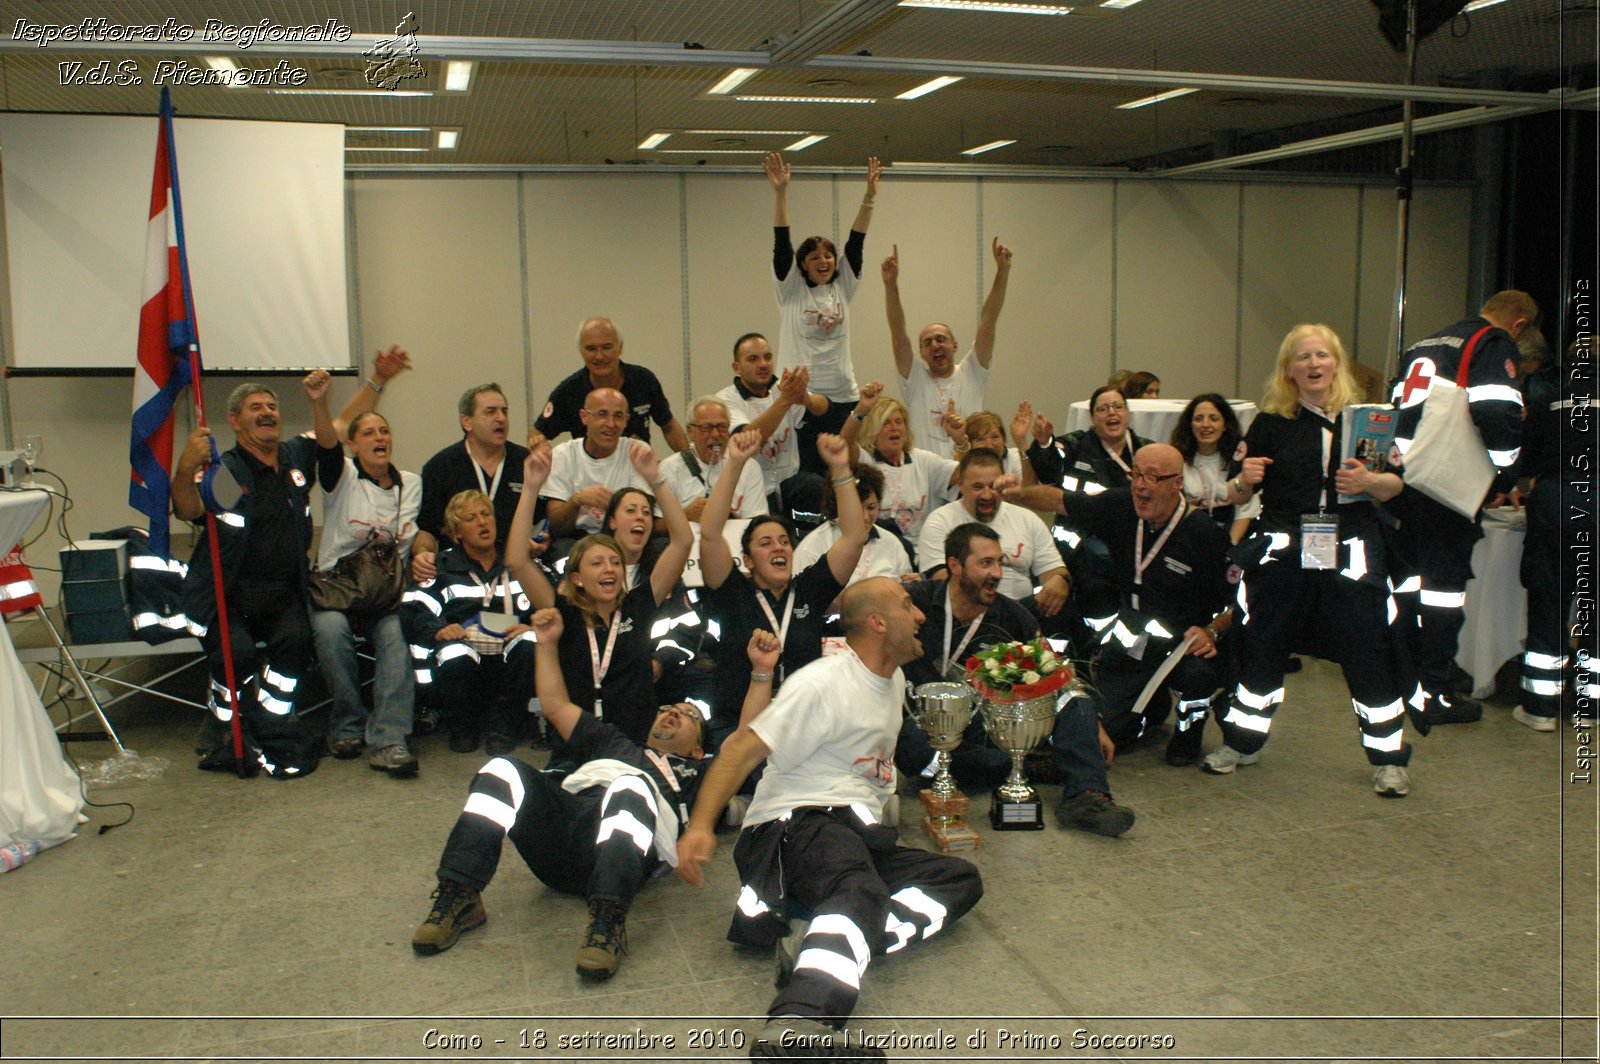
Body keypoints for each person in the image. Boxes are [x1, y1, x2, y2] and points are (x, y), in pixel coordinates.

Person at [676, 578, 985, 1057]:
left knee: (958, 880)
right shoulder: (822, 682)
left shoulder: (895, 679)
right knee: (858, 888)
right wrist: (699, 827)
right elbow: (739, 750)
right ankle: (799, 1022)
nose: (921, 615)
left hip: (850, 837)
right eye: (908, 606)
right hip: (793, 826)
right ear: (878, 624)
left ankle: (822, 940)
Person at [411, 605, 727, 982]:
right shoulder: (614, 742)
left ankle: (606, 922)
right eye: (668, 709)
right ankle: (459, 894)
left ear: (698, 750)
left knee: (630, 787)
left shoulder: (701, 772)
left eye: (687, 715)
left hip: (624, 856)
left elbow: (745, 743)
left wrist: (762, 673)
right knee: (502, 769)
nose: (673, 713)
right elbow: (556, 706)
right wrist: (545, 644)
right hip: (566, 837)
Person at [172, 350, 407, 778]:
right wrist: (186, 465)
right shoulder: (224, 469)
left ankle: (270, 722)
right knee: (236, 656)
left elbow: (336, 428)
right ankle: (223, 726)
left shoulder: (295, 458)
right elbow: (188, 508)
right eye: (256, 408)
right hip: (228, 595)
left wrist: (370, 382)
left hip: (283, 595)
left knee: (297, 647)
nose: (267, 413)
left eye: (272, 406)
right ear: (235, 420)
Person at [1203, 323, 1414, 797]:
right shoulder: (1271, 423)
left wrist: (1371, 485)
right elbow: (1235, 492)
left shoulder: (1370, 420)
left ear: (1336, 363)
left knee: (1367, 651)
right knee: (1261, 645)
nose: (1314, 365)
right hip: (1284, 548)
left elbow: (1397, 485)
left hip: (1353, 549)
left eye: (1322, 355)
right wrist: (1246, 480)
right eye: (1303, 358)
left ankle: (1388, 760)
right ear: (1289, 370)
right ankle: (1242, 743)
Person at [901, 522, 1133, 835]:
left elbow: (1055, 671)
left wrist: (1092, 725)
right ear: (954, 566)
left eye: (999, 562)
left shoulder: (1013, 615)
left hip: (984, 723)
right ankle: (1021, 767)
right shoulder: (915, 600)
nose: (997, 573)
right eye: (985, 563)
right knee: (908, 746)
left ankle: (1086, 796)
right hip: (925, 724)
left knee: (1075, 699)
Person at [1019, 443, 1234, 767]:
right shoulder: (1121, 506)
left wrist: (1212, 631)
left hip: (1183, 644)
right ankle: (1152, 705)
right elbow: (1061, 501)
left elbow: (1237, 602)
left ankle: (1190, 729)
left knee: (1198, 674)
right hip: (1134, 638)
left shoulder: (1204, 534)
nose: (1141, 485)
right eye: (1136, 475)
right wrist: (1011, 494)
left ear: (1177, 484)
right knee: (1102, 726)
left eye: (1153, 477)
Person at [1387, 290, 1537, 726]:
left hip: (1405, 480)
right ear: (1519, 324)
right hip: (1447, 489)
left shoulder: (1426, 342)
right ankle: (1434, 691)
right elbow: (1496, 412)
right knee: (1443, 592)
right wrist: (1504, 476)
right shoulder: (1492, 343)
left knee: (1409, 586)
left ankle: (1405, 676)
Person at [509, 439, 693, 747]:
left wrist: (655, 480)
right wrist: (530, 489)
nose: (609, 568)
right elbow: (517, 559)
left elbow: (682, 541)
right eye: (597, 563)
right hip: (576, 740)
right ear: (578, 578)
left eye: (614, 562)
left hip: (633, 740)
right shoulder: (563, 611)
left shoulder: (639, 604)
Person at [700, 430, 867, 742]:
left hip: (802, 725)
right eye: (765, 543)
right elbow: (709, 533)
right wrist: (735, 464)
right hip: (738, 726)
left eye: (783, 542)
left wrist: (841, 469)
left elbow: (855, 537)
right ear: (747, 560)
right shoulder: (731, 591)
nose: (779, 548)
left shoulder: (807, 590)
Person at [306, 371, 422, 777]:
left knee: (394, 636)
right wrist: (320, 404)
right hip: (335, 589)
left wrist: (423, 549)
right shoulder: (342, 477)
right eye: (369, 432)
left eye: (385, 431)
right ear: (353, 445)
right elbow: (324, 442)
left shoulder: (412, 484)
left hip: (384, 593)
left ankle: (389, 739)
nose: (380, 438)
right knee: (331, 631)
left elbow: (420, 534)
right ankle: (347, 724)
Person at [764, 152, 882, 465]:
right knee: (807, 473)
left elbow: (856, 243)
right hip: (801, 398)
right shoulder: (791, 290)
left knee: (844, 468)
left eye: (828, 256)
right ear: (802, 264)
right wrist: (780, 193)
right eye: (814, 257)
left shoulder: (842, 286)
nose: (823, 261)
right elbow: (781, 242)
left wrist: (869, 197)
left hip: (843, 396)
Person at [401, 490, 535, 755]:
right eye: (471, 518)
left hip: (509, 656)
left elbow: (547, 605)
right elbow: (413, 608)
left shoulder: (517, 562)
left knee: (531, 641)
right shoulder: (441, 567)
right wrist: (439, 629)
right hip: (466, 657)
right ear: (456, 532)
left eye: (486, 515)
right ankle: (464, 727)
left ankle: (504, 729)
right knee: (453, 652)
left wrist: (531, 625)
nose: (483, 522)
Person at [1516, 332, 1595, 730]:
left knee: (1549, 600)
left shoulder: (1549, 396)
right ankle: (1592, 707)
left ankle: (1540, 708)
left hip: (1557, 502)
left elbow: (1525, 457)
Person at [884, 237, 1013, 456]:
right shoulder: (915, 379)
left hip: (971, 473)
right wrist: (890, 285)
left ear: (954, 346)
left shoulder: (973, 371)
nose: (935, 345)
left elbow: (989, 321)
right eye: (927, 343)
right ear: (921, 354)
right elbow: (898, 332)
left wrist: (1002, 271)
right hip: (929, 477)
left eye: (941, 339)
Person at [915, 449, 1070, 623]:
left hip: (1023, 613)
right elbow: (940, 580)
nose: (987, 495)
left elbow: (1054, 569)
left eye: (993, 486)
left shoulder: (1027, 519)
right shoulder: (940, 521)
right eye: (978, 487)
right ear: (960, 483)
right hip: (966, 613)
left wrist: (1059, 580)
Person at [413, 383, 531, 581]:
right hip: (458, 571)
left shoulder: (526, 462)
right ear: (467, 422)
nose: (501, 418)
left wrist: (543, 539)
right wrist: (423, 554)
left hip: (515, 567)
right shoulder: (440, 467)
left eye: (504, 411)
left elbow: (543, 522)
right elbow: (427, 530)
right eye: (490, 412)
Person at [717, 333, 831, 525]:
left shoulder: (781, 388)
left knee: (815, 487)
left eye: (768, 357)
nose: (763, 364)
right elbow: (748, 439)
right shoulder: (726, 400)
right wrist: (786, 400)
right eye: (753, 359)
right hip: (753, 488)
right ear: (737, 367)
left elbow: (825, 410)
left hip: (789, 484)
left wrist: (806, 399)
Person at [532, 317, 688, 451]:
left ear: (620, 347)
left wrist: (691, 465)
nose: (599, 356)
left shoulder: (643, 380)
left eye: (606, 347)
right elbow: (537, 433)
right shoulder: (569, 391)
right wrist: (543, 453)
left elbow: (668, 426)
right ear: (581, 351)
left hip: (638, 474)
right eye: (591, 349)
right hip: (590, 478)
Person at [843, 384, 961, 556]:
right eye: (886, 423)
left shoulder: (924, 461)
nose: (895, 428)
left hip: (923, 556)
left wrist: (960, 441)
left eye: (899, 422)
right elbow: (844, 444)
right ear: (873, 429)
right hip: (879, 553)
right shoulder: (866, 460)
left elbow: (966, 476)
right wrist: (861, 410)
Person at [539, 388, 657, 544]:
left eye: (618, 416)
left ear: (626, 421)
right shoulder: (563, 455)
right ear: (584, 417)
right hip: (575, 540)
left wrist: (614, 504)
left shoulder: (637, 452)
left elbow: (642, 518)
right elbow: (557, 526)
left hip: (624, 538)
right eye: (602, 414)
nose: (611, 424)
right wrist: (577, 500)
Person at [791, 463, 912, 592]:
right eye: (856, 509)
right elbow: (802, 604)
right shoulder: (811, 549)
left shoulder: (892, 544)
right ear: (839, 506)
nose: (865, 517)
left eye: (871, 507)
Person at [657, 396, 767, 521]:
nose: (715, 434)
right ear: (690, 431)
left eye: (722, 427)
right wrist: (685, 516)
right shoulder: (669, 468)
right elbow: (655, 528)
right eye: (706, 428)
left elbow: (757, 523)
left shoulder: (748, 466)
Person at [1171, 393, 1259, 544]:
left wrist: (1228, 548)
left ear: (1225, 424)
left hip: (1230, 538)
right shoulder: (1177, 460)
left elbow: (1245, 510)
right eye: (1198, 419)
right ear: (1190, 425)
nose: (1205, 424)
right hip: (1187, 540)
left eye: (1214, 418)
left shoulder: (1238, 460)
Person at [1028, 385, 1151, 492]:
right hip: (1080, 516)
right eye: (1103, 408)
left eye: (1118, 406)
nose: (1112, 412)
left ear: (1127, 413)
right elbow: (1048, 473)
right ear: (1092, 417)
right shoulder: (1075, 444)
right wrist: (1045, 443)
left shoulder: (1147, 449)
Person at [963, 406, 1036, 485]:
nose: (989, 445)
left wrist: (1020, 441)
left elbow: (1031, 490)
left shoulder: (1015, 457)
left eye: (995, 437)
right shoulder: (963, 463)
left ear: (1004, 439)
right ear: (969, 444)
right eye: (980, 439)